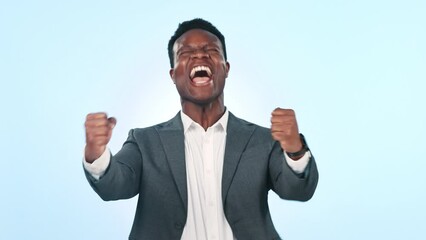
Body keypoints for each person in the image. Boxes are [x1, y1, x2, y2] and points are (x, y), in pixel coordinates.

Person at [83, 18, 318, 240]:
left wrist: (295, 149)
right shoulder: (144, 142)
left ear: (226, 69)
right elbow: (114, 185)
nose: (200, 56)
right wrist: (96, 152)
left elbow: (297, 191)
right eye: (185, 53)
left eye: (211, 50)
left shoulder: (262, 140)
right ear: (173, 75)